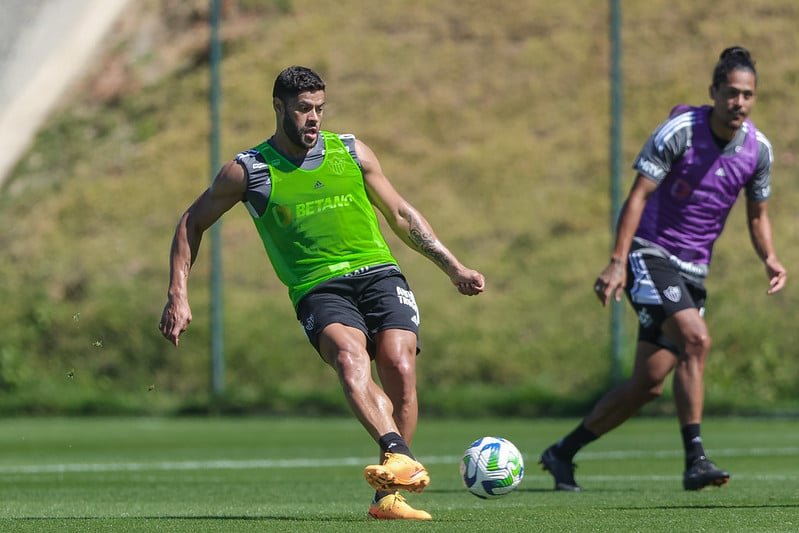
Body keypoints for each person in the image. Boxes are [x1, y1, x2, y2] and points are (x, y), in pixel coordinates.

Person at [158, 65, 485, 520]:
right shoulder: (249, 170)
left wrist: (452, 266)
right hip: (317, 286)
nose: (314, 118)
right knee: (350, 358)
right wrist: (179, 292)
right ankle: (396, 452)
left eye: (319, 109)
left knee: (399, 365)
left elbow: (401, 215)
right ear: (279, 108)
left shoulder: (350, 151)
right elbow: (191, 221)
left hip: (379, 273)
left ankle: (389, 496)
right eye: (304, 109)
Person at [539, 46, 787, 492]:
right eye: (731, 93)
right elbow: (637, 196)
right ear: (713, 92)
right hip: (650, 254)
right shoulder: (681, 131)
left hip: (693, 269)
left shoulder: (758, 150)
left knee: (648, 384)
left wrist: (768, 256)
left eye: (748, 95)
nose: (740, 103)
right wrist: (617, 262)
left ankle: (562, 453)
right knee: (696, 339)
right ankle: (696, 459)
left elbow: (757, 215)